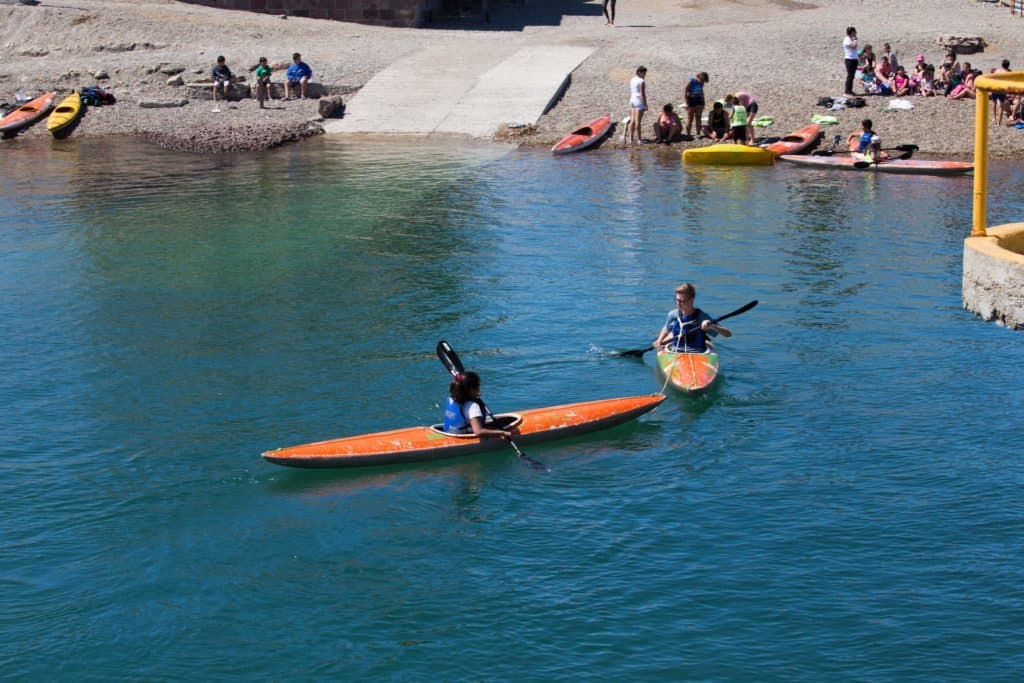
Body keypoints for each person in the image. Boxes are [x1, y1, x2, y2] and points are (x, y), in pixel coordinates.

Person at [653, 283, 732, 354]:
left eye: (682, 301)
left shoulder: (701, 316)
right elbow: (666, 328)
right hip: (676, 352)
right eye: (677, 300)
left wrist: (713, 326)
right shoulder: (672, 315)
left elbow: (728, 334)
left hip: (698, 354)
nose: (678, 303)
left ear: (691, 300)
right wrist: (659, 340)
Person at [442, 371, 513, 438]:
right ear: (472, 389)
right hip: (463, 435)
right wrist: (502, 433)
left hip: (449, 431)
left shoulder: (451, 399)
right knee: (499, 426)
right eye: (478, 385)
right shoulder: (473, 406)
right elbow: (478, 432)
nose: (480, 388)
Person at [684, 71, 709, 137]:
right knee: (690, 118)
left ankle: (698, 133)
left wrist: (703, 101)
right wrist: (686, 101)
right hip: (691, 100)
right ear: (700, 78)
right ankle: (688, 133)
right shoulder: (692, 81)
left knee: (698, 117)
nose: (703, 82)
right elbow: (686, 90)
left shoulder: (702, 82)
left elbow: (701, 91)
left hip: (699, 99)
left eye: (704, 81)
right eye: (702, 80)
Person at [628, 65, 648, 144]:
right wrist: (645, 104)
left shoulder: (632, 79)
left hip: (632, 100)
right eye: (644, 73)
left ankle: (631, 139)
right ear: (639, 72)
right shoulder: (641, 81)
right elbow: (643, 94)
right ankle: (639, 139)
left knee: (632, 121)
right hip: (638, 101)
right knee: (638, 121)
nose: (645, 75)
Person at [843, 26, 859, 97]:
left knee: (852, 76)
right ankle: (846, 92)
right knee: (850, 76)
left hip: (854, 59)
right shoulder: (847, 39)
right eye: (854, 32)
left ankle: (850, 90)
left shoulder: (850, 39)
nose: (855, 33)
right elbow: (853, 46)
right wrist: (855, 40)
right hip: (849, 59)